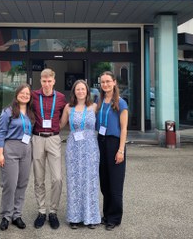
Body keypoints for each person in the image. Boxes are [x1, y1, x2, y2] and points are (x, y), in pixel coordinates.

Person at [60, 79, 101, 229]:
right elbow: (59, 125)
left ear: (87, 91)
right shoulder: (68, 108)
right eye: (78, 89)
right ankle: (74, 217)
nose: (81, 92)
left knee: (90, 181)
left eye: (83, 89)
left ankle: (91, 216)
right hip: (74, 148)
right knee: (74, 181)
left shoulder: (95, 107)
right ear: (74, 92)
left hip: (90, 148)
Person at [0, 83, 35, 231]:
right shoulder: (8, 112)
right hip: (10, 148)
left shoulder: (30, 113)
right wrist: (0, 154)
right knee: (10, 185)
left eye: (27, 94)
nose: (25, 95)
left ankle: (17, 215)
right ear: (17, 94)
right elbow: (0, 133)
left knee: (22, 183)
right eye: (22, 93)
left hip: (26, 149)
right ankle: (6, 215)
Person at [31, 68, 67, 229]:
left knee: (57, 178)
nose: (46, 84)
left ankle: (53, 211)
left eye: (49, 81)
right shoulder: (33, 96)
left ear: (54, 81)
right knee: (39, 178)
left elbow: (67, 114)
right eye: (44, 81)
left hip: (53, 138)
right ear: (41, 81)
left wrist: (58, 128)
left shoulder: (60, 98)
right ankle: (41, 211)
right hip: (37, 138)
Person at [95, 71, 129, 231]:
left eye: (108, 81)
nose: (105, 84)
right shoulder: (99, 100)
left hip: (114, 143)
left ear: (114, 82)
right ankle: (107, 214)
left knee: (115, 184)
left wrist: (121, 150)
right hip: (100, 142)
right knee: (105, 182)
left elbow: (123, 129)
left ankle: (115, 218)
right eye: (103, 82)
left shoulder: (121, 103)